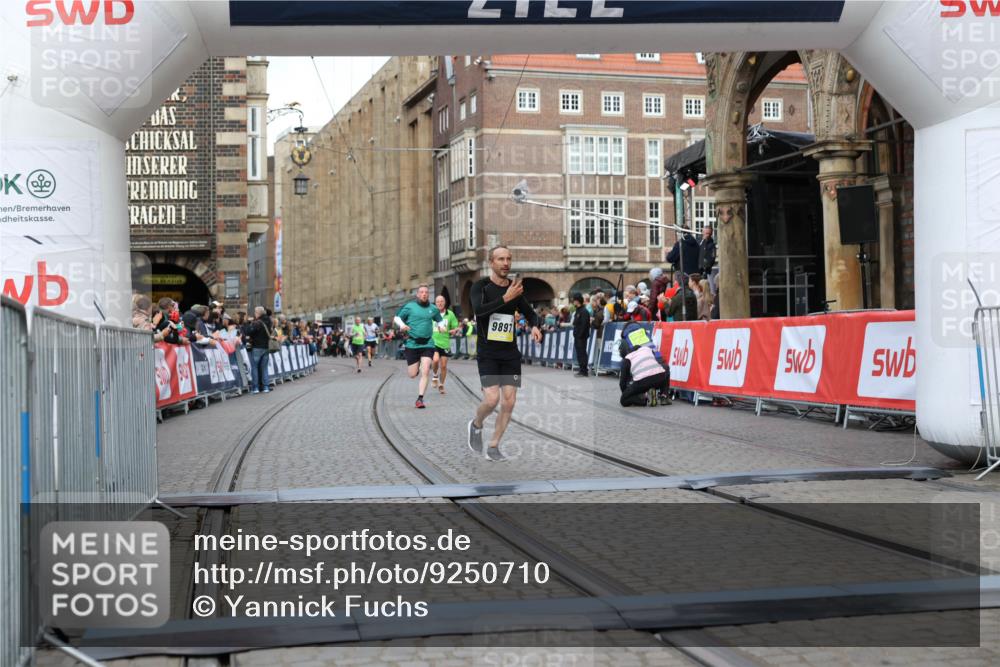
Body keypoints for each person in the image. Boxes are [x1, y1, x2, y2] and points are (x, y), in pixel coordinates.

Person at [467, 245, 543, 462]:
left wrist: (535, 326)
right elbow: (479, 311)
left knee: (509, 402)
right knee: (492, 400)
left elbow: (531, 313)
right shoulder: (480, 287)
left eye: (508, 259)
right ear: (491, 262)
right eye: (500, 259)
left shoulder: (515, 289)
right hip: (488, 353)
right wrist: (505, 299)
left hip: (510, 354)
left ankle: (493, 446)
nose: (506, 263)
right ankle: (476, 424)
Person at [394, 285, 443, 408]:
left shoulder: (433, 308)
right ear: (417, 294)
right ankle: (418, 366)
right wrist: (402, 325)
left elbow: (439, 319)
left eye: (426, 292)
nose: (424, 294)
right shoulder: (410, 306)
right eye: (421, 292)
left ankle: (420, 399)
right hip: (412, 343)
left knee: (425, 371)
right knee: (412, 374)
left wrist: (441, 326)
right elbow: (397, 318)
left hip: (427, 343)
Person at [618, 322, 672, 407]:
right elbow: (654, 350)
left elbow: (623, 381)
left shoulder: (626, 341)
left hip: (641, 378)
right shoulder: (644, 333)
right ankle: (664, 396)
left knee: (634, 375)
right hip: (657, 366)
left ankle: (643, 397)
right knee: (665, 367)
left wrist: (627, 393)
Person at [431, 295, 461, 394]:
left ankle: (441, 384)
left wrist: (454, 330)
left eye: (441, 301)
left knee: (443, 366)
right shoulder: (432, 314)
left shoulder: (450, 314)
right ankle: (435, 376)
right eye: (438, 302)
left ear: (444, 303)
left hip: (445, 343)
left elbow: (456, 327)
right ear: (435, 303)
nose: (440, 303)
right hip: (434, 341)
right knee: (435, 360)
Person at [246, 306, 273, 394]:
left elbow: (249, 332)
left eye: (255, 312)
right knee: (264, 368)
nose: (254, 314)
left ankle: (256, 388)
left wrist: (249, 323)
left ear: (258, 313)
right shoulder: (269, 321)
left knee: (254, 367)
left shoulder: (257, 323)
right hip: (266, 347)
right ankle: (266, 387)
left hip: (257, 347)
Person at [571, 293, 590, 377]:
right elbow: (575, 323)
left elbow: (584, 325)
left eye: (574, 300)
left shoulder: (584, 311)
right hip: (577, 336)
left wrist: (580, 335)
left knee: (582, 353)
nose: (573, 302)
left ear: (577, 301)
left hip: (581, 336)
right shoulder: (578, 311)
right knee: (579, 353)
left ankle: (584, 371)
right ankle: (581, 369)